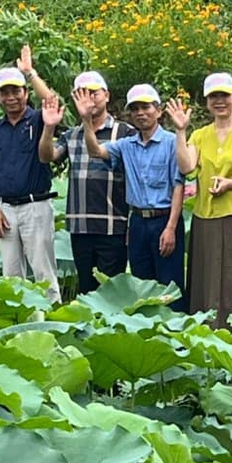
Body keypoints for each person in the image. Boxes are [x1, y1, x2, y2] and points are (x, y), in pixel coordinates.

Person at [166, 72, 232, 320]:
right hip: (205, 218)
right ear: (206, 102)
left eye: (224, 96)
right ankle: (210, 331)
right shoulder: (200, 135)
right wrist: (180, 132)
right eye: (213, 96)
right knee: (209, 279)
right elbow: (186, 167)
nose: (219, 101)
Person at [84, 83, 186, 308]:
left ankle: (176, 337)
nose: (140, 113)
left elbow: (178, 186)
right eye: (135, 108)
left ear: (158, 111)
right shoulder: (126, 145)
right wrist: (86, 121)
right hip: (138, 222)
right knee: (141, 285)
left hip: (165, 219)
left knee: (170, 285)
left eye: (146, 107)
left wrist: (170, 228)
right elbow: (95, 151)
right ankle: (148, 334)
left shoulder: (172, 142)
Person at [0, 48, 60, 302]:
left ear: (26, 93)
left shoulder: (39, 120)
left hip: (36, 205)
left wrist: (30, 73)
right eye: (5, 92)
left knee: (43, 271)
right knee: (11, 275)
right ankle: (20, 326)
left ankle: (54, 323)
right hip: (5, 211)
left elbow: (52, 103)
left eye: (16, 90)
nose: (11, 97)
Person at [40, 70, 130, 293]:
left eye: (94, 93)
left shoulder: (125, 132)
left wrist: (87, 120)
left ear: (107, 95)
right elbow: (47, 156)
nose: (89, 98)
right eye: (82, 93)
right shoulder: (71, 135)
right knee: (87, 290)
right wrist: (49, 126)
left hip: (113, 225)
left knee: (111, 291)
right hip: (80, 226)